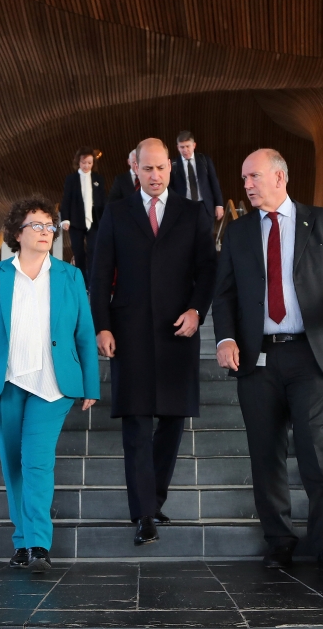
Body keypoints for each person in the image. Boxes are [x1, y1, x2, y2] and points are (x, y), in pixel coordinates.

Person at [213, 149, 323, 572]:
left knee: (315, 449)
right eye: (244, 177)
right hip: (256, 359)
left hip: (310, 352)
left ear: (279, 177)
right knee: (265, 454)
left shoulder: (322, 221)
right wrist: (226, 339)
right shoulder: (238, 232)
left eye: (254, 176)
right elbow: (225, 293)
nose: (246, 185)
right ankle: (279, 541)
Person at [0, 198, 100, 573]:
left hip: (52, 384)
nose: (45, 232)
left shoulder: (70, 276)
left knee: (37, 462)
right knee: (13, 465)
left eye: (49, 226)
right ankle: (22, 541)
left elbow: (84, 334)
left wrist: (91, 384)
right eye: (36, 225)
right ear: (17, 233)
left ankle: (37, 542)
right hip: (3, 382)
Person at [90, 138, 216, 546]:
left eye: (161, 168)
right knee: (137, 423)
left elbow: (207, 270)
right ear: (136, 171)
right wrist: (102, 326)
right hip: (129, 332)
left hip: (179, 331)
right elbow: (100, 273)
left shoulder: (193, 213)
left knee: (173, 421)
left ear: (171, 169)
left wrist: (198, 310)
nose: (155, 176)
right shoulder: (116, 212)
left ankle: (155, 497)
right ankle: (144, 512)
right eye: (148, 169)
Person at [60, 147, 107, 285]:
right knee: (78, 252)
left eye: (89, 163)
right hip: (75, 219)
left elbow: (102, 200)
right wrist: (65, 219)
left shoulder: (98, 179)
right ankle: (81, 283)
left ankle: (93, 282)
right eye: (84, 162)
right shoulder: (71, 179)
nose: (86, 165)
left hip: (94, 220)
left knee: (93, 250)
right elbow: (66, 199)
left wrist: (105, 221)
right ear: (78, 162)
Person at [170, 131, 224, 222]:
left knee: (206, 234)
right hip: (184, 206)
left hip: (205, 205)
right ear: (177, 147)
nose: (185, 150)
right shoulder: (173, 164)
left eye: (188, 146)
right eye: (182, 147)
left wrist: (219, 204)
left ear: (194, 145)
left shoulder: (204, 160)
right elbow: (170, 187)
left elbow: (214, 182)